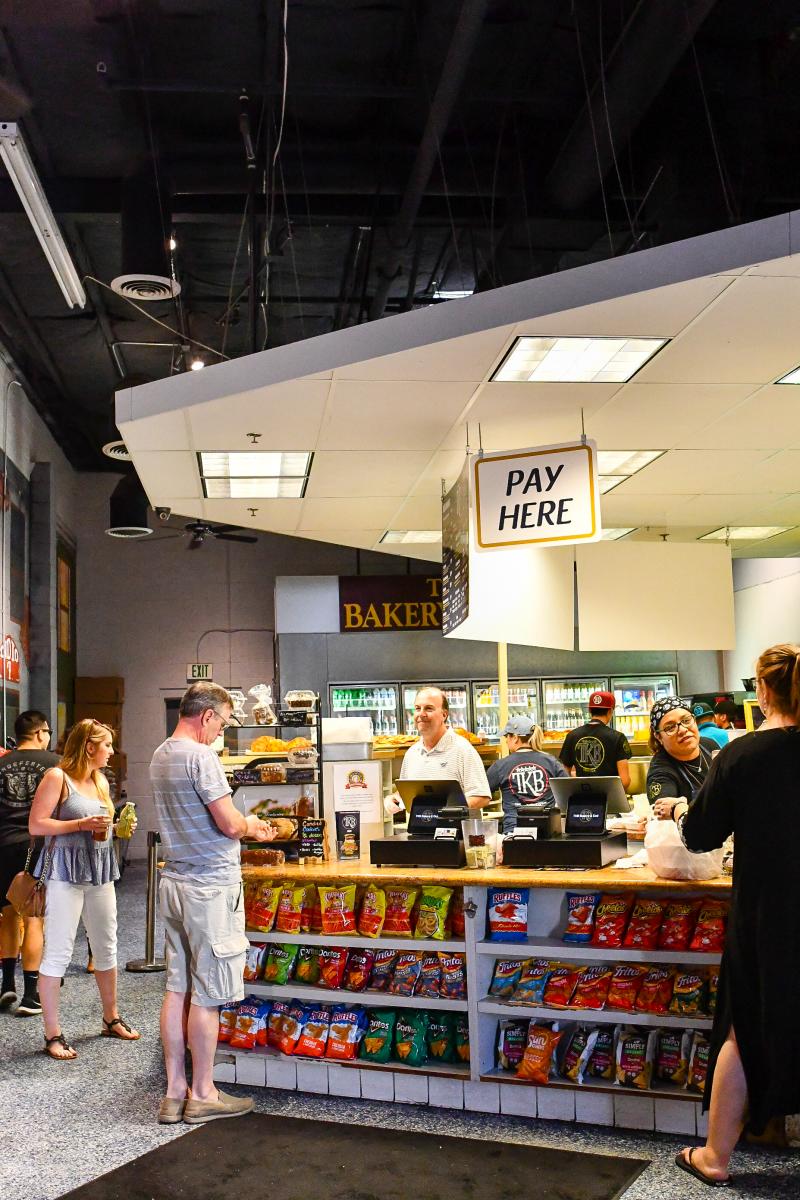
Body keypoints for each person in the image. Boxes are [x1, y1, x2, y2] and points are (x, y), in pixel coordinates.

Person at [657, 645, 800, 1187]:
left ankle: (715, 1158)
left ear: (762, 691)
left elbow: (698, 836)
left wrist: (684, 810)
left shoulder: (740, 756)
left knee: (743, 1029)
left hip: (766, 912)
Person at [150, 682, 275, 1125]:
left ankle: (174, 1091)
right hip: (210, 887)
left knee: (176, 986)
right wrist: (254, 824)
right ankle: (203, 1092)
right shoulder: (201, 757)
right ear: (206, 716)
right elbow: (229, 825)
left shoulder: (161, 753)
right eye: (222, 722)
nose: (221, 732)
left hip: (175, 880)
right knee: (207, 993)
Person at [28, 719, 139, 1060]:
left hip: (100, 870)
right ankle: (53, 1034)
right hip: (64, 871)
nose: (110, 751)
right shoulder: (57, 778)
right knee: (59, 950)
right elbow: (36, 824)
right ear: (89, 747)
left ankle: (111, 1017)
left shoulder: (100, 780)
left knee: (106, 945)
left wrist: (121, 828)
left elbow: (103, 825)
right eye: (105, 745)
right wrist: (81, 824)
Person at [0, 710, 60, 1016]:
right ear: (40, 733)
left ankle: (6, 983)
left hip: (3, 844)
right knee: (34, 917)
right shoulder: (54, 764)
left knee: (8, 913)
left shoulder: (1, 763)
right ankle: (31, 995)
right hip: (36, 847)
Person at [396, 686, 492, 810]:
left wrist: (444, 811)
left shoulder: (463, 750)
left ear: (444, 715)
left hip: (455, 829)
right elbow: (408, 794)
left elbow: (481, 797)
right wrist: (394, 798)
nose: (421, 714)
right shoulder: (411, 753)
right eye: (417, 708)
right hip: (419, 829)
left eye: (429, 708)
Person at [486, 716, 569, 834]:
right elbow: (569, 792)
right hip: (548, 832)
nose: (505, 740)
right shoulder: (551, 762)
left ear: (515, 738)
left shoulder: (500, 766)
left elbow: (482, 793)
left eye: (506, 736)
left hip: (514, 834)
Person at [647, 697, 719, 812]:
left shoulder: (709, 745)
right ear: (658, 737)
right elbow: (665, 813)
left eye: (686, 721)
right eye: (670, 727)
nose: (682, 730)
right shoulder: (660, 772)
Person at [559, 690, 632, 791]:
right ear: (610, 711)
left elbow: (563, 776)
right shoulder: (618, 737)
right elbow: (625, 781)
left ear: (589, 711)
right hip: (609, 800)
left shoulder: (572, 736)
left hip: (581, 799)